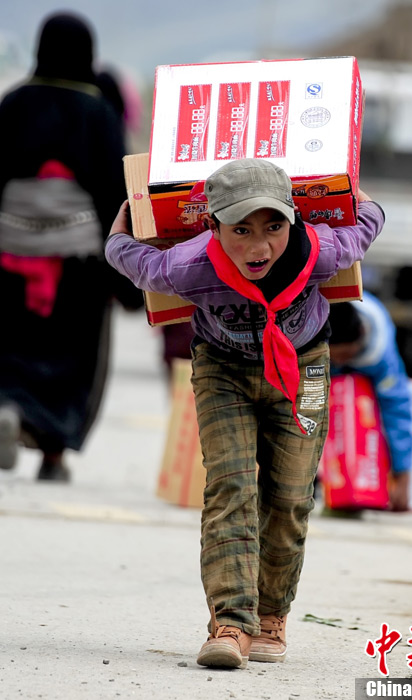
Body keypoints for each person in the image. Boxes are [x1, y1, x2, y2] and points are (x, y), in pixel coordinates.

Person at [105, 158, 384, 669]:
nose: (259, 248)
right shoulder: (187, 266)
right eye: (241, 230)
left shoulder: (322, 252)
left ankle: (272, 614)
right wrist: (122, 228)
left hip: (306, 370)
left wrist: (362, 200)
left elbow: (367, 227)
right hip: (222, 370)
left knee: (292, 495)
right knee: (231, 487)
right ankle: (232, 623)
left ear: (294, 221)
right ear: (213, 226)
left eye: (274, 227)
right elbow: (131, 259)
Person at [0, 12, 127, 481]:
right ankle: (53, 454)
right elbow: (115, 193)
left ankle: (8, 406)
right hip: (80, 263)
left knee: (11, 346)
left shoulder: (13, 104)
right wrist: (128, 276)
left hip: (9, 253)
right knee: (75, 357)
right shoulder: (98, 113)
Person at [327, 292, 412, 512]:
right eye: (336, 357)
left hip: (370, 371)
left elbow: (397, 411)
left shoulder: (382, 354)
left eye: (346, 356)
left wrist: (402, 475)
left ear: (363, 335)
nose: (341, 361)